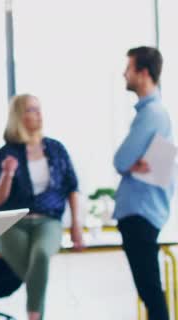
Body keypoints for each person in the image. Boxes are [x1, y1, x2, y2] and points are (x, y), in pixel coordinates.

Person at [0, 94, 83, 320]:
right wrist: (7, 174)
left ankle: (33, 317)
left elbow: (73, 187)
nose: (39, 114)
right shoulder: (5, 154)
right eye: (32, 110)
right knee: (35, 273)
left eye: (39, 109)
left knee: (40, 256)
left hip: (48, 220)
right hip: (12, 223)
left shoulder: (56, 148)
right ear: (19, 116)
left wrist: (77, 225)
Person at [113, 46, 174, 320]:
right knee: (150, 290)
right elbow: (127, 162)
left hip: (140, 212)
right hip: (142, 212)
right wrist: (130, 165)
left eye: (129, 67)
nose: (124, 73)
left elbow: (121, 159)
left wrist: (129, 164)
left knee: (150, 291)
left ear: (143, 73)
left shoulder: (152, 114)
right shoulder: (152, 114)